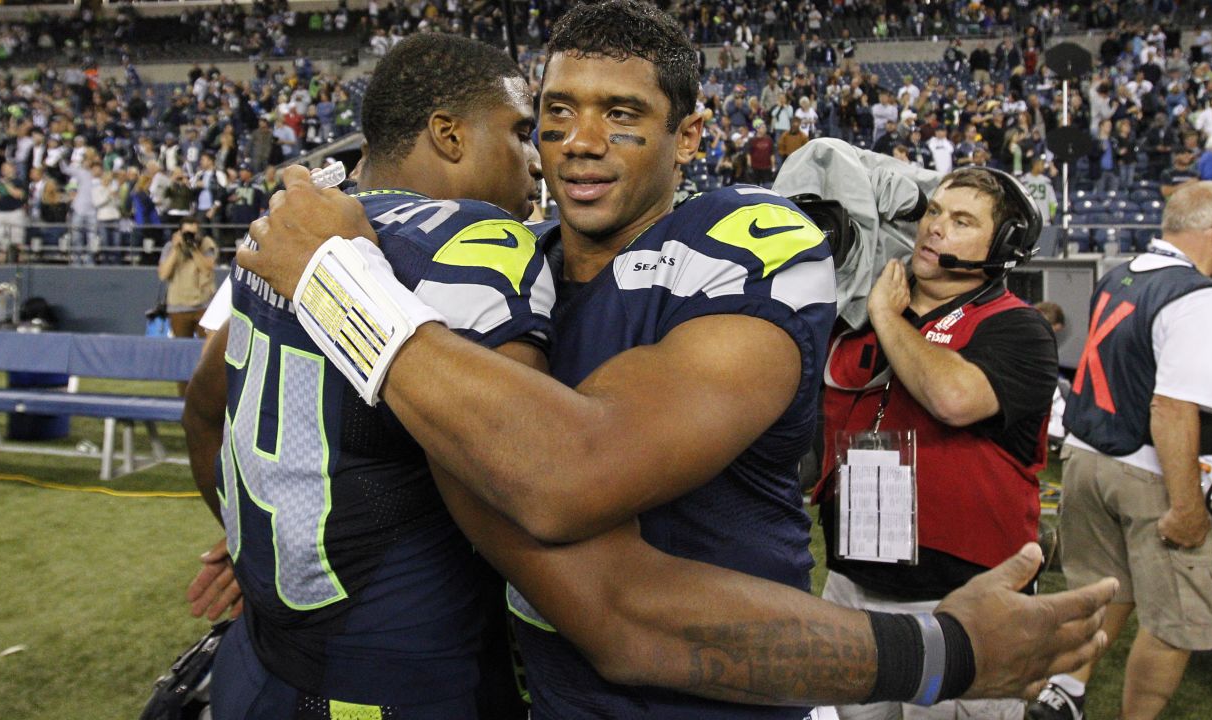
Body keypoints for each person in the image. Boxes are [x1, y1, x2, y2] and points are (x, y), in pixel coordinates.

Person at [234, 2, 1114, 718]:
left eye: (622, 115)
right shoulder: (512, 260)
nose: (581, 139)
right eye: (557, 112)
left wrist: (333, 278)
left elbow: (569, 474)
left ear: (688, 139)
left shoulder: (745, 241)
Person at [184, 34, 546, 720]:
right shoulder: (473, 237)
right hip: (406, 681)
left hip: (258, 666)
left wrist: (258, 542)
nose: (536, 162)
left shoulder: (279, 233)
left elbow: (203, 408)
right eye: (521, 131)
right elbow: (527, 469)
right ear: (448, 134)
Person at [812, 167, 1060, 720]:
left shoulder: (1016, 327)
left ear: (1002, 246)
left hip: (962, 600)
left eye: (962, 220)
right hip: (853, 586)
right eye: (934, 212)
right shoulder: (855, 315)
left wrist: (885, 316)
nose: (935, 228)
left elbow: (953, 396)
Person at [1029, 181, 1212, 720]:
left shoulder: (1121, 272)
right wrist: (1188, 507)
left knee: (1104, 591)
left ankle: (1064, 692)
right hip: (1145, 469)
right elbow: (1172, 408)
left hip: (1084, 457)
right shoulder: (1200, 296)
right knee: (1177, 623)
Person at [157, 215, 216, 346]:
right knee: (181, 349)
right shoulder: (170, 247)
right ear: (179, 232)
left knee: (207, 348)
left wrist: (194, 249)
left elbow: (207, 269)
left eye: (193, 233)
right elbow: (163, 274)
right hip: (178, 307)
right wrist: (176, 249)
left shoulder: (206, 244)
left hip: (203, 305)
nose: (190, 236)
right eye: (186, 233)